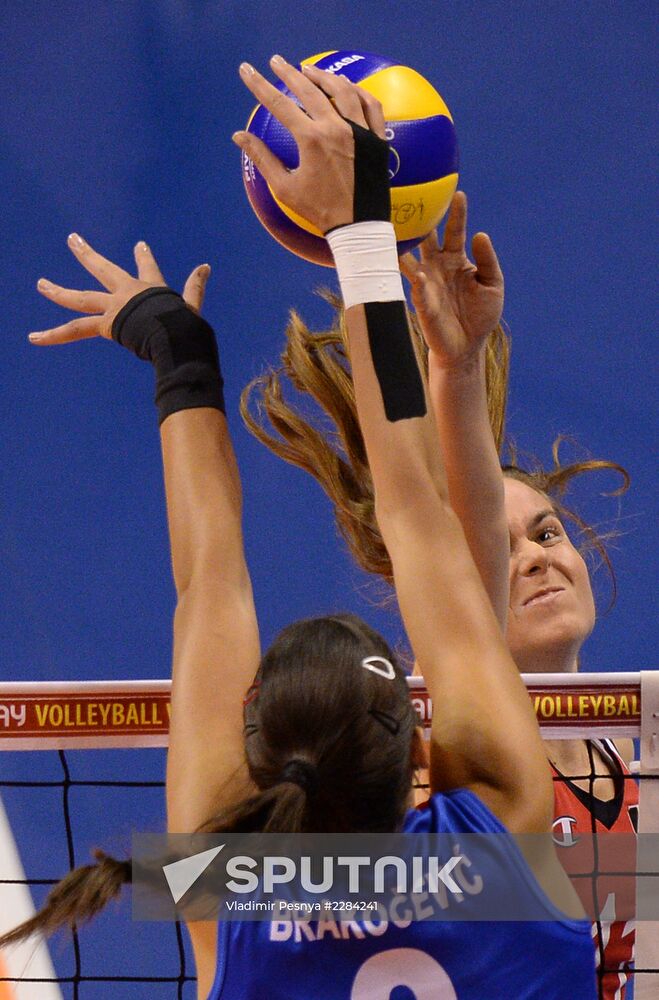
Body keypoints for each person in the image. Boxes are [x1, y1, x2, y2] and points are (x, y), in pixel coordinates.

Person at [1, 59, 599, 999]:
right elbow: (408, 516)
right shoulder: (498, 851)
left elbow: (218, 582)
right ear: (417, 750)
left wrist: (185, 355)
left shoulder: (221, 890)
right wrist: (350, 232)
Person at [241, 106, 637, 1000]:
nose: (536, 557)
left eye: (546, 533)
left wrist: (174, 878)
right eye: (499, 551)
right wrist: (454, 374)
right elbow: (440, 542)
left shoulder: (637, 756)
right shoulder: (448, 765)